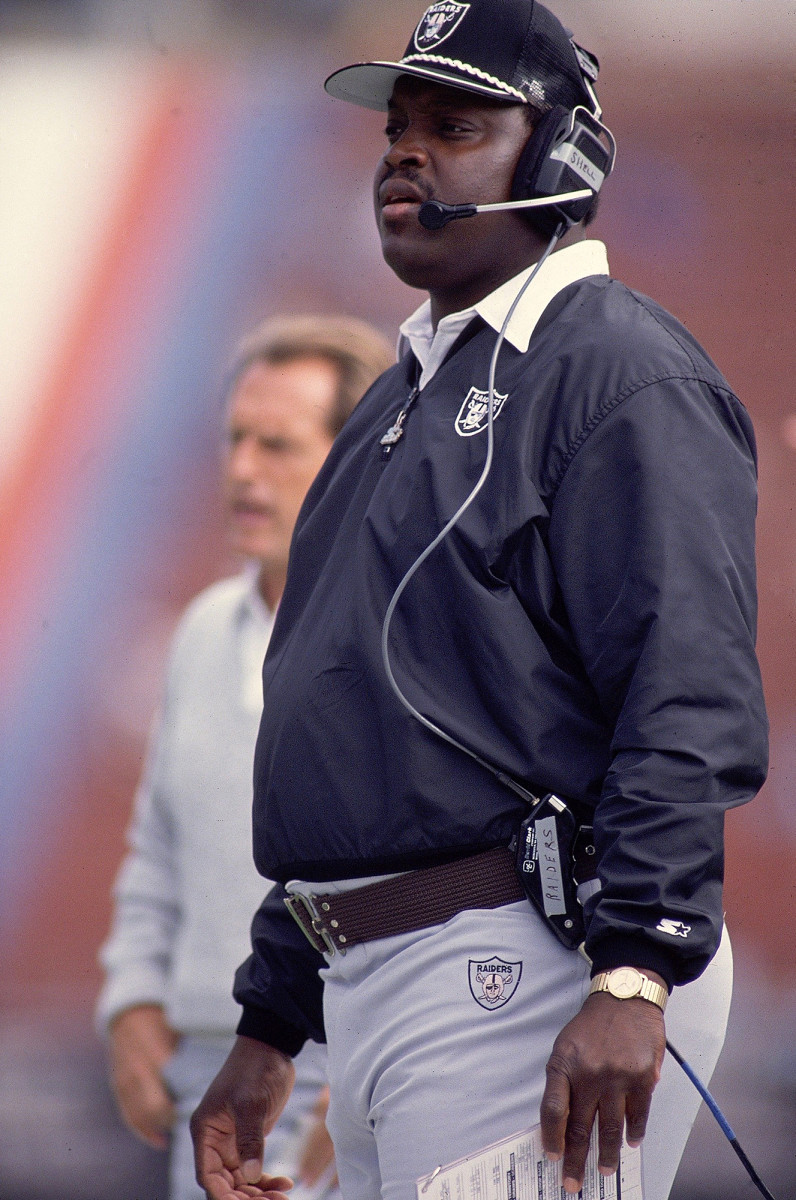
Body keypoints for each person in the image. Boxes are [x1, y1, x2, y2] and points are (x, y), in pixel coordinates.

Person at [190, 5, 769, 1200]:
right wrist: (273, 1016)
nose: (404, 153)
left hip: (524, 964)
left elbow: (687, 682)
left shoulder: (618, 367)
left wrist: (633, 974)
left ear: (557, 154)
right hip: (383, 975)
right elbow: (350, 734)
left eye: (454, 124)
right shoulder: (398, 394)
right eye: (396, 129)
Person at [96, 313, 395, 1200]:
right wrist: (131, 1003)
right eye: (233, 440)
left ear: (352, 457)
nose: (241, 472)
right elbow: (158, 846)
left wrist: (380, 1073)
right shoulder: (199, 632)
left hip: (357, 1078)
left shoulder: (406, 639)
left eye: (276, 445)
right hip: (210, 1082)